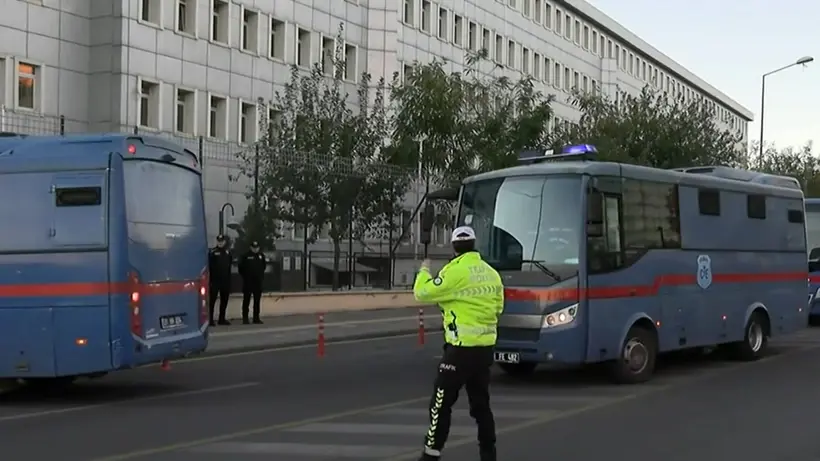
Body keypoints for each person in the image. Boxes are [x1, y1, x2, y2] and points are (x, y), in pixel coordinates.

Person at [412, 226, 504, 461]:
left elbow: (422, 293)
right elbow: (498, 308)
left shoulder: (455, 272)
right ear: (474, 244)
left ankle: (431, 454)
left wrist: (423, 271)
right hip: (484, 350)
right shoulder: (492, 273)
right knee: (481, 405)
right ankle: (488, 454)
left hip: (460, 350)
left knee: (440, 403)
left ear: (454, 246)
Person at [238, 241, 266, 325]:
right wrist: (246, 277)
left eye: (257, 247)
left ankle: (256, 318)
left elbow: (263, 267)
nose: (255, 249)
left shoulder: (261, 256)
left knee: (257, 301)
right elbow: (241, 268)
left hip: (258, 282)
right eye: (254, 247)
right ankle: (245, 318)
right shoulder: (245, 256)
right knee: (246, 300)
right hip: (248, 282)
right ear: (251, 247)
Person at [208, 234, 233, 326]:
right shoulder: (213, 252)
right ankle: (210, 320)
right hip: (215, 280)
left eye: (222, 241)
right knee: (212, 301)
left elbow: (229, 266)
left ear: (224, 242)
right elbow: (209, 267)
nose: (220, 243)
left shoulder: (228, 252)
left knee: (224, 300)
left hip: (225, 280)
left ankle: (221, 319)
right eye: (219, 241)